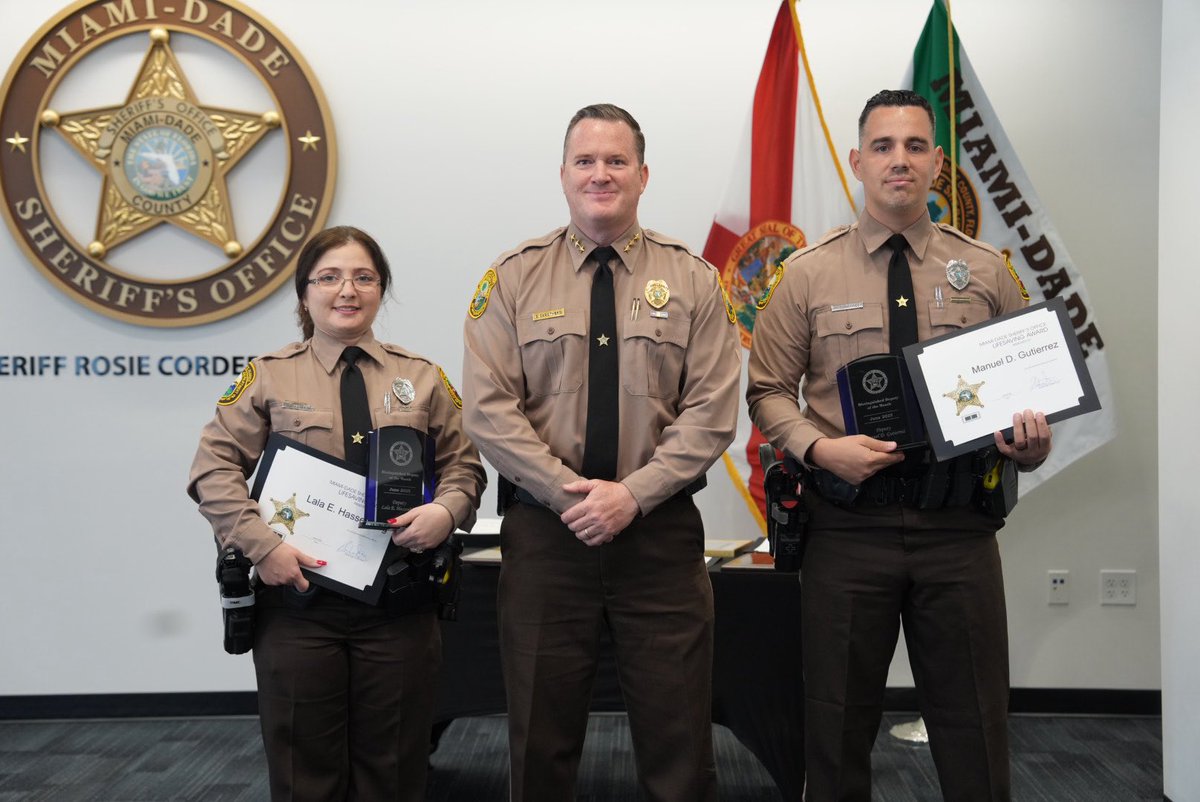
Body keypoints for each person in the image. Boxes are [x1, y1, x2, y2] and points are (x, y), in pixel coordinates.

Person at [747, 89, 1052, 801]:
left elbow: (1025, 393)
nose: (899, 161)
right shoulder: (807, 274)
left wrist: (1029, 444)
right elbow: (765, 392)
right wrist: (821, 452)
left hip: (959, 531)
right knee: (837, 724)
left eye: (916, 146)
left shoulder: (986, 271)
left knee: (974, 721)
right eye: (883, 146)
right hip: (848, 528)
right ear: (857, 160)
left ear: (938, 163)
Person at [461, 103, 740, 801]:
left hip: (661, 536)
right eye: (585, 161)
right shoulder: (513, 278)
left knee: (679, 735)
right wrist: (570, 495)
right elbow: (488, 412)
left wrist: (632, 496)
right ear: (563, 175)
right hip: (548, 538)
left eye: (616, 161)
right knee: (539, 735)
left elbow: (712, 413)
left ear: (643, 175)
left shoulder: (694, 279)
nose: (600, 174)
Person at [188, 226, 485, 801]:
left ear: (381, 291)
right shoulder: (270, 376)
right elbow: (212, 469)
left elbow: (465, 468)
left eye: (363, 277)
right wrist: (262, 546)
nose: (346, 289)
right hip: (299, 605)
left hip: (399, 605)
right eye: (329, 277)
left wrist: (447, 514)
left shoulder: (422, 378)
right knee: (305, 772)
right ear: (305, 294)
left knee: (396, 770)